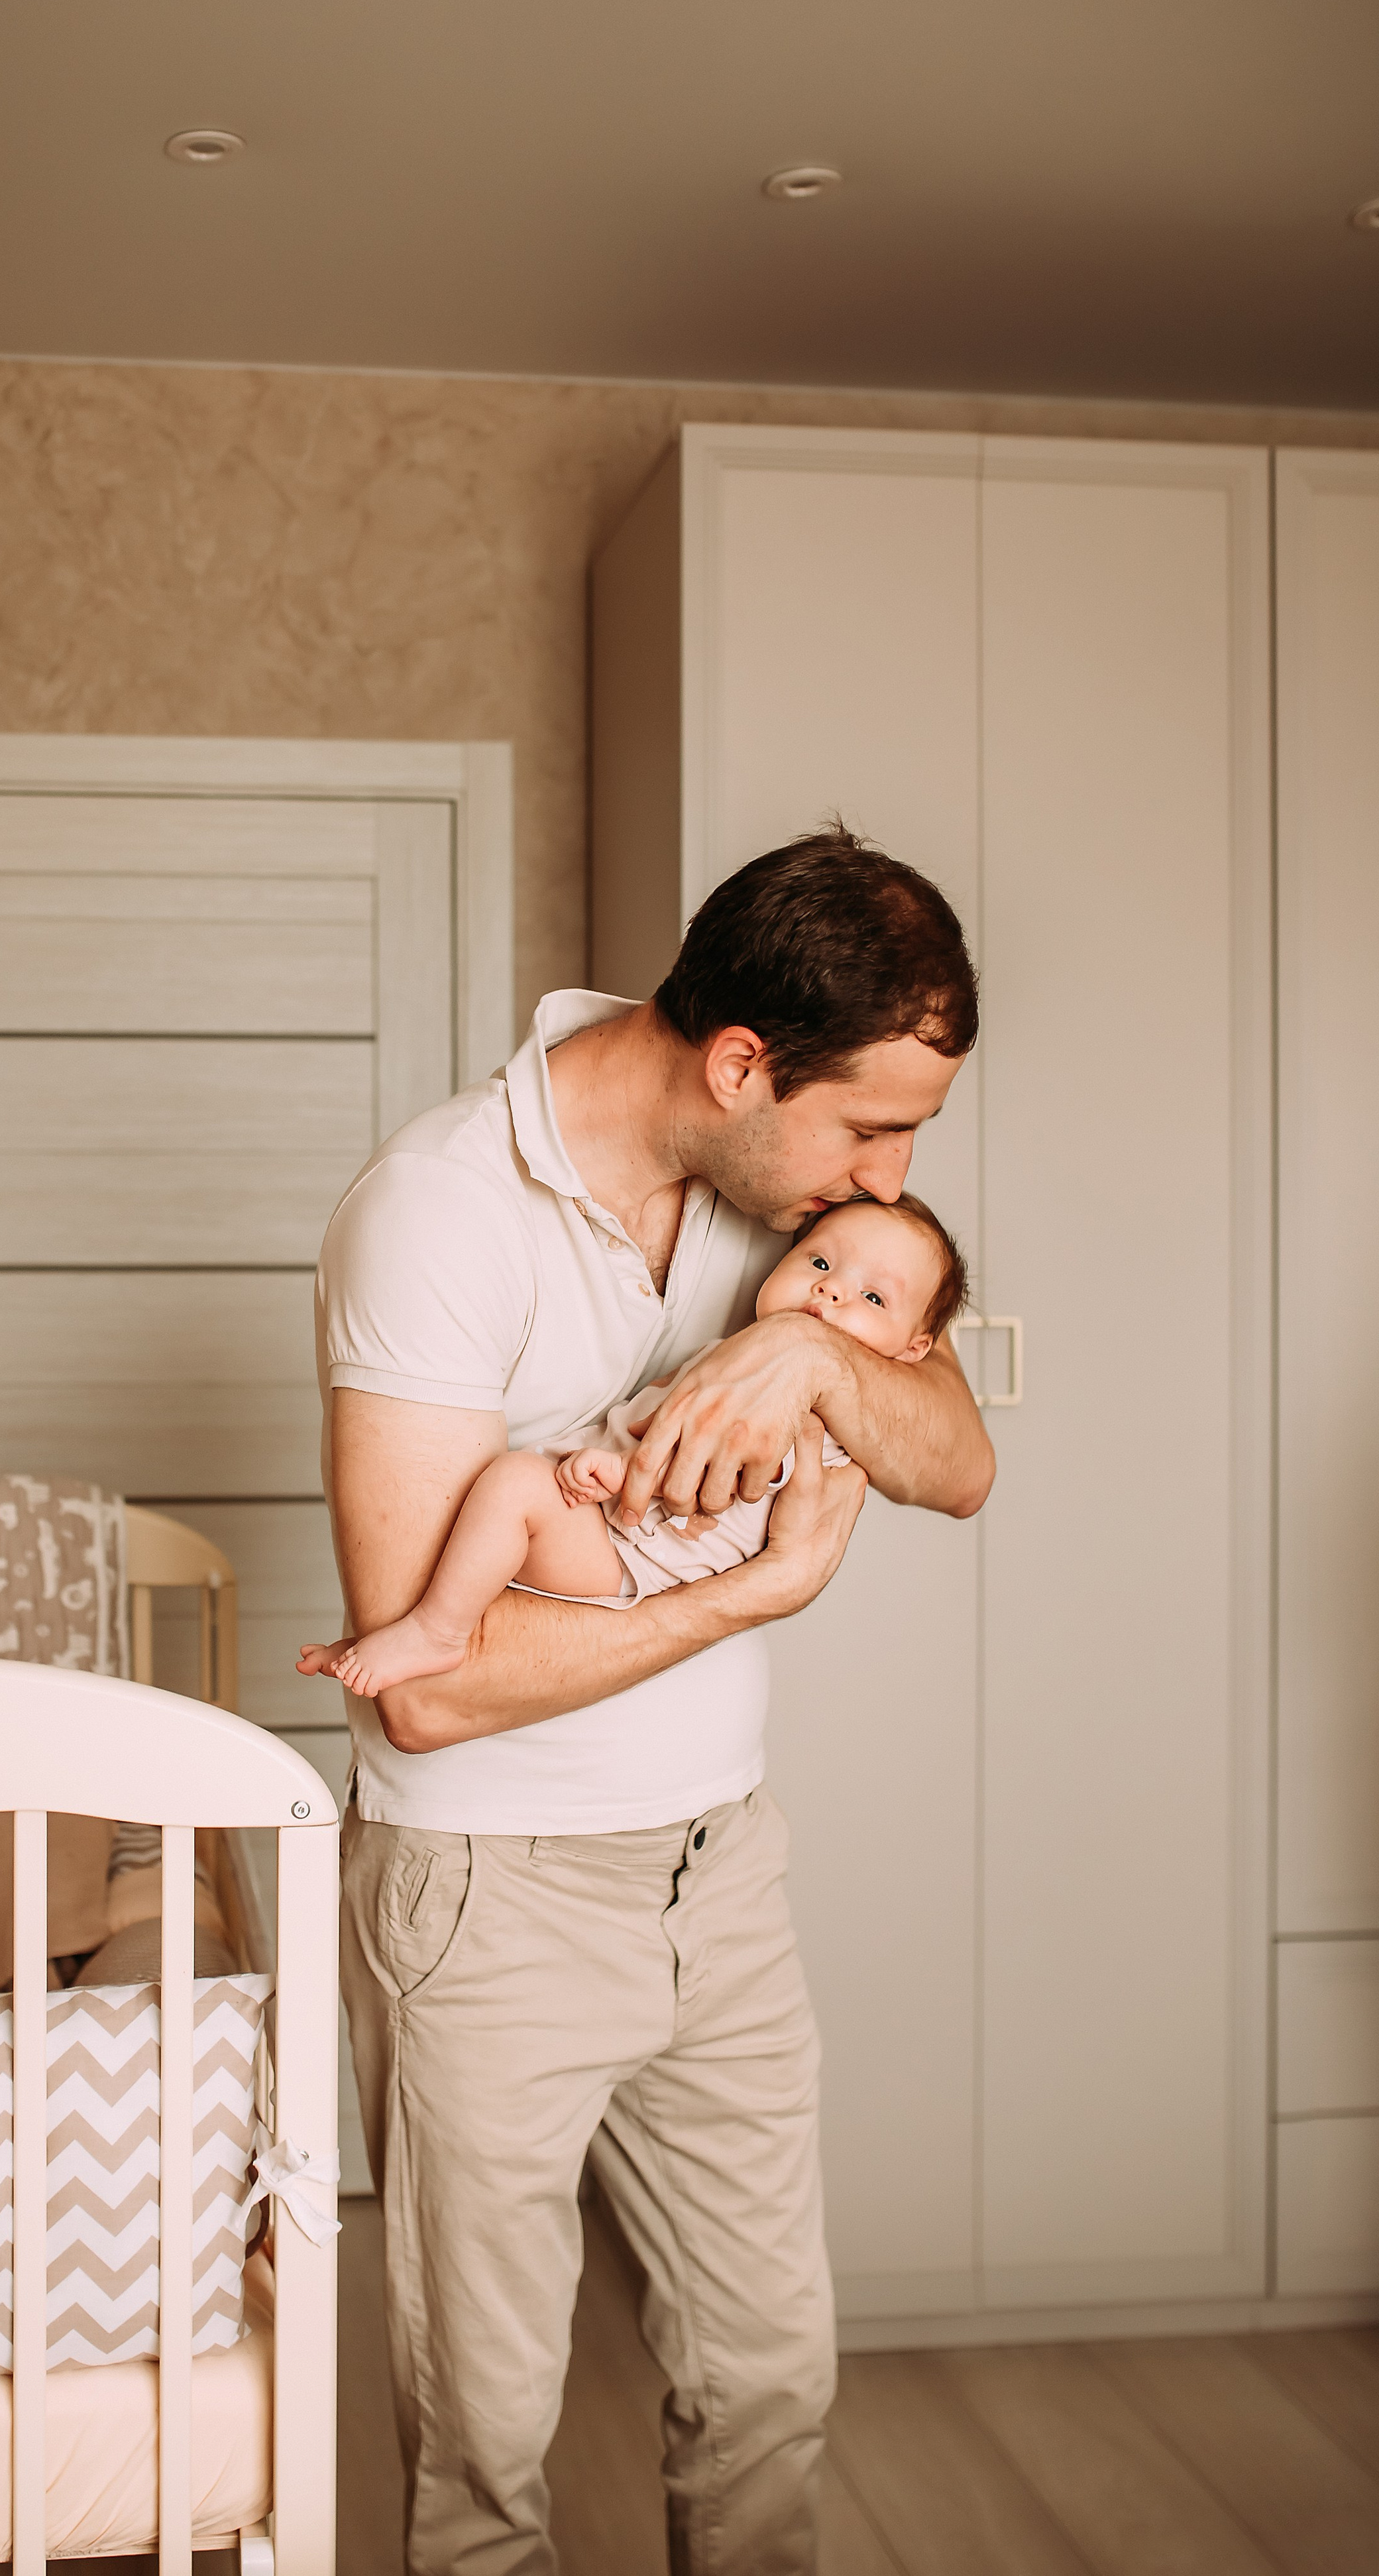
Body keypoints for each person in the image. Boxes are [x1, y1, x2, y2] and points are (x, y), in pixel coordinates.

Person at [313, 826, 993, 2576]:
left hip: (721, 1877)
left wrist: (818, 1349)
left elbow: (959, 1458)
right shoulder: (440, 1211)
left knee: (770, 2381)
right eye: (869, 1124)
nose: (896, 1171)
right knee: (489, 2434)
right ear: (741, 1061)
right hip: (491, 1899)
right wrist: (758, 1593)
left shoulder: (813, 1233)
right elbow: (430, 1693)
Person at [298, 1191, 967, 1697]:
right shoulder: (751, 1359)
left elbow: (722, 1477)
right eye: (819, 1261)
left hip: (641, 1547)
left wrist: (620, 1470)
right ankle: (406, 1630)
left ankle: (436, 1633)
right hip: (627, 1524)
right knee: (474, 1519)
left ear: (912, 1352)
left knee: (511, 1489)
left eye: (872, 1298)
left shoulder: (808, 1420)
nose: (830, 1288)